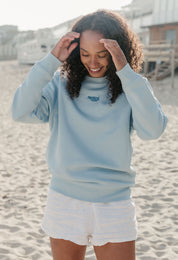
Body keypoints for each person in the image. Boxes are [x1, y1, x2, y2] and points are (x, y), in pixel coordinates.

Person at [11, 9, 168, 260]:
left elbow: (153, 130)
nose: (92, 63)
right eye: (85, 54)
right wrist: (51, 60)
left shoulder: (131, 88)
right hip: (65, 200)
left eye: (102, 55)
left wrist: (126, 72)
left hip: (114, 203)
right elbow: (19, 111)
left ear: (118, 52)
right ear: (75, 51)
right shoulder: (60, 85)